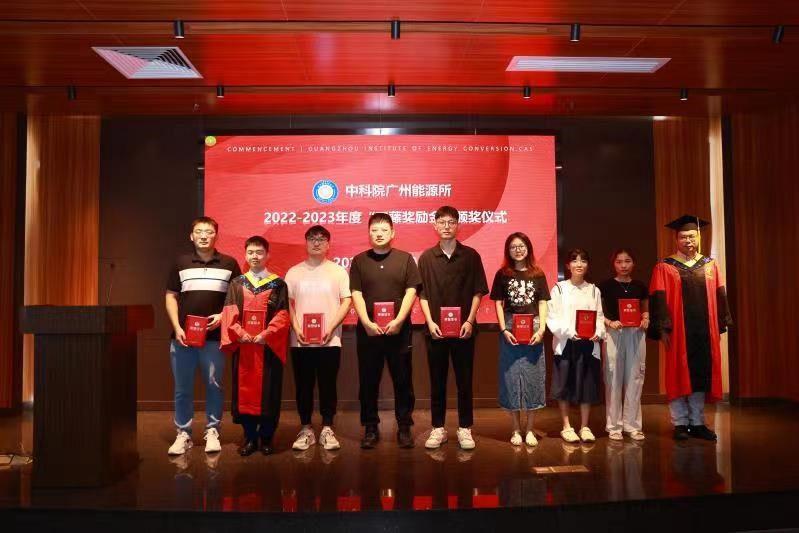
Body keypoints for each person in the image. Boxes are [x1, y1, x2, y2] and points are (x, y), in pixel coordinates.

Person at [648, 215, 732, 441]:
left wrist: (720, 325)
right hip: (678, 332)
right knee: (678, 373)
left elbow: (720, 294)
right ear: (676, 239)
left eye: (692, 236)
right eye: (683, 237)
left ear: (699, 237)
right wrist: (662, 328)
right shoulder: (665, 266)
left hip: (705, 331)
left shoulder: (710, 265)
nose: (688, 240)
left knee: (701, 374)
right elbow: (658, 298)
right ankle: (680, 422)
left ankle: (697, 422)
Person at [165, 216, 241, 455]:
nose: (204, 236)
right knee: (182, 388)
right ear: (192, 236)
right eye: (199, 231)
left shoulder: (229, 263)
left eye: (209, 232)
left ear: (216, 235)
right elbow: (170, 296)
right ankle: (183, 434)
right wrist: (177, 327)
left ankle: (213, 431)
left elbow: (237, 299)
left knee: (214, 385)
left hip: (214, 339)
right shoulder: (181, 262)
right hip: (183, 338)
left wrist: (223, 316)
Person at [349, 212, 422, 449]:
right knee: (368, 381)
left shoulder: (405, 259)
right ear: (369, 233)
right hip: (368, 332)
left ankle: (404, 427)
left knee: (403, 380)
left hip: (399, 331)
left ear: (393, 233)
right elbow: (356, 293)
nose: (379, 234)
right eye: (374, 230)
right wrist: (366, 322)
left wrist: (399, 320)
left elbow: (411, 291)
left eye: (383, 230)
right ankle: (370, 427)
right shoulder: (359, 261)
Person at [418, 206, 488, 450]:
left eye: (451, 222)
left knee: (464, 381)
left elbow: (478, 291)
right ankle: (438, 428)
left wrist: (469, 320)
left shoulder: (471, 256)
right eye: (442, 222)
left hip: (464, 331)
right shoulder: (426, 258)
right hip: (435, 331)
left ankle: (465, 428)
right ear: (435, 225)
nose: (446, 226)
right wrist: (430, 322)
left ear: (458, 225)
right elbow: (422, 294)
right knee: (437, 381)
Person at [220, 236, 290, 456]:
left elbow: (283, 315)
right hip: (245, 348)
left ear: (268, 255)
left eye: (259, 252)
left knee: (269, 392)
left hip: (267, 348)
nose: (255, 256)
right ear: (245, 255)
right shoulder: (237, 283)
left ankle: (267, 437)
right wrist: (240, 333)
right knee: (244, 392)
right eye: (250, 252)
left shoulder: (278, 284)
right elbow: (229, 312)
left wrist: (266, 335)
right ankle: (250, 437)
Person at [285, 225, 352, 451]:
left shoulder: (338, 271)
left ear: (328, 244)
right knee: (303, 386)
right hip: (300, 341)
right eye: (312, 238)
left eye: (321, 239)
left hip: (330, 340)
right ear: (306, 243)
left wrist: (331, 327)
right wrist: (296, 327)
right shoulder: (294, 272)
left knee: (328, 385)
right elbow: (287, 303)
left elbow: (346, 300)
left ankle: (327, 428)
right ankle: (305, 428)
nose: (316, 242)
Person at [489, 232, 550, 447]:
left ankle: (530, 429)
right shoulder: (502, 274)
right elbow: (498, 302)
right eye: (513, 247)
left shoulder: (538, 274)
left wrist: (542, 329)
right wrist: (503, 329)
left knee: (534, 377)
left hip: (534, 328)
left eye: (521, 246)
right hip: (510, 328)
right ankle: (515, 429)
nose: (518, 250)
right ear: (508, 250)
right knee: (511, 378)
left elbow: (543, 302)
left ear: (528, 248)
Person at [547, 248, 606, 443]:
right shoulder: (559, 289)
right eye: (574, 260)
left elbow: (599, 316)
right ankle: (566, 426)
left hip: (588, 344)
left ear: (588, 265)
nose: (579, 264)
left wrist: (598, 332)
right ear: (568, 265)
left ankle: (585, 426)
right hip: (566, 343)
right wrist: (569, 332)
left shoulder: (594, 290)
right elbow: (552, 316)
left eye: (583, 260)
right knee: (564, 385)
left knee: (587, 385)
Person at [599, 249, 649, 441]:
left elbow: (645, 308)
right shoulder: (605, 286)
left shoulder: (640, 286)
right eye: (619, 261)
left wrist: (645, 318)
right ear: (614, 264)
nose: (623, 265)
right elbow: (598, 311)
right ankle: (614, 426)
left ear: (633, 263)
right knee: (613, 377)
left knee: (635, 378)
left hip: (635, 333)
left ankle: (632, 426)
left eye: (627, 261)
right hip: (614, 332)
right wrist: (609, 322)